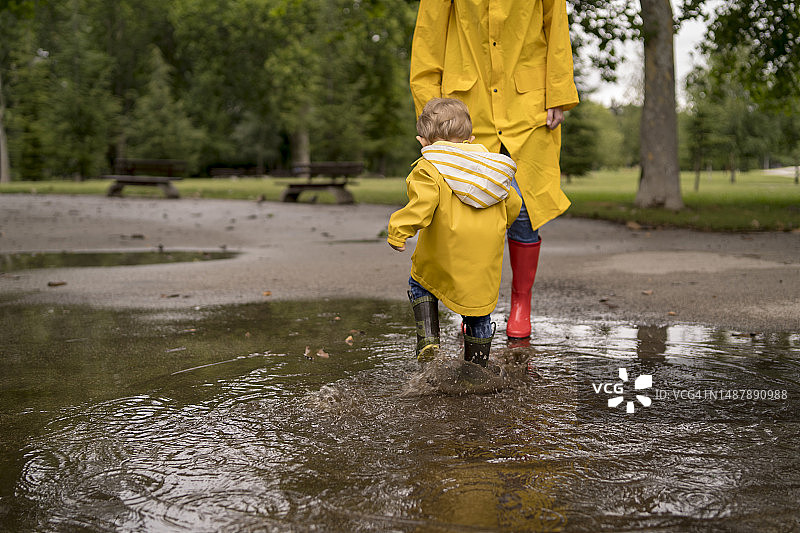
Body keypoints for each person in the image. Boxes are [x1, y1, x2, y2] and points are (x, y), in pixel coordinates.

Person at [409, 0, 580, 339]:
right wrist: (431, 115)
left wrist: (557, 93)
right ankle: (472, 305)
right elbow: (428, 40)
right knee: (466, 209)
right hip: (463, 111)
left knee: (525, 205)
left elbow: (556, 24)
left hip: (528, 104)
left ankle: (521, 302)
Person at [387, 97, 521, 367]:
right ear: (470, 139)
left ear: (423, 141)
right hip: (482, 260)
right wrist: (502, 223)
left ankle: (428, 339)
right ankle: (477, 367)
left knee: (420, 283)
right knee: (478, 311)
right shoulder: (492, 169)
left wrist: (398, 230)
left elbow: (421, 206)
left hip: (443, 253)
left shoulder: (429, 168)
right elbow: (514, 204)